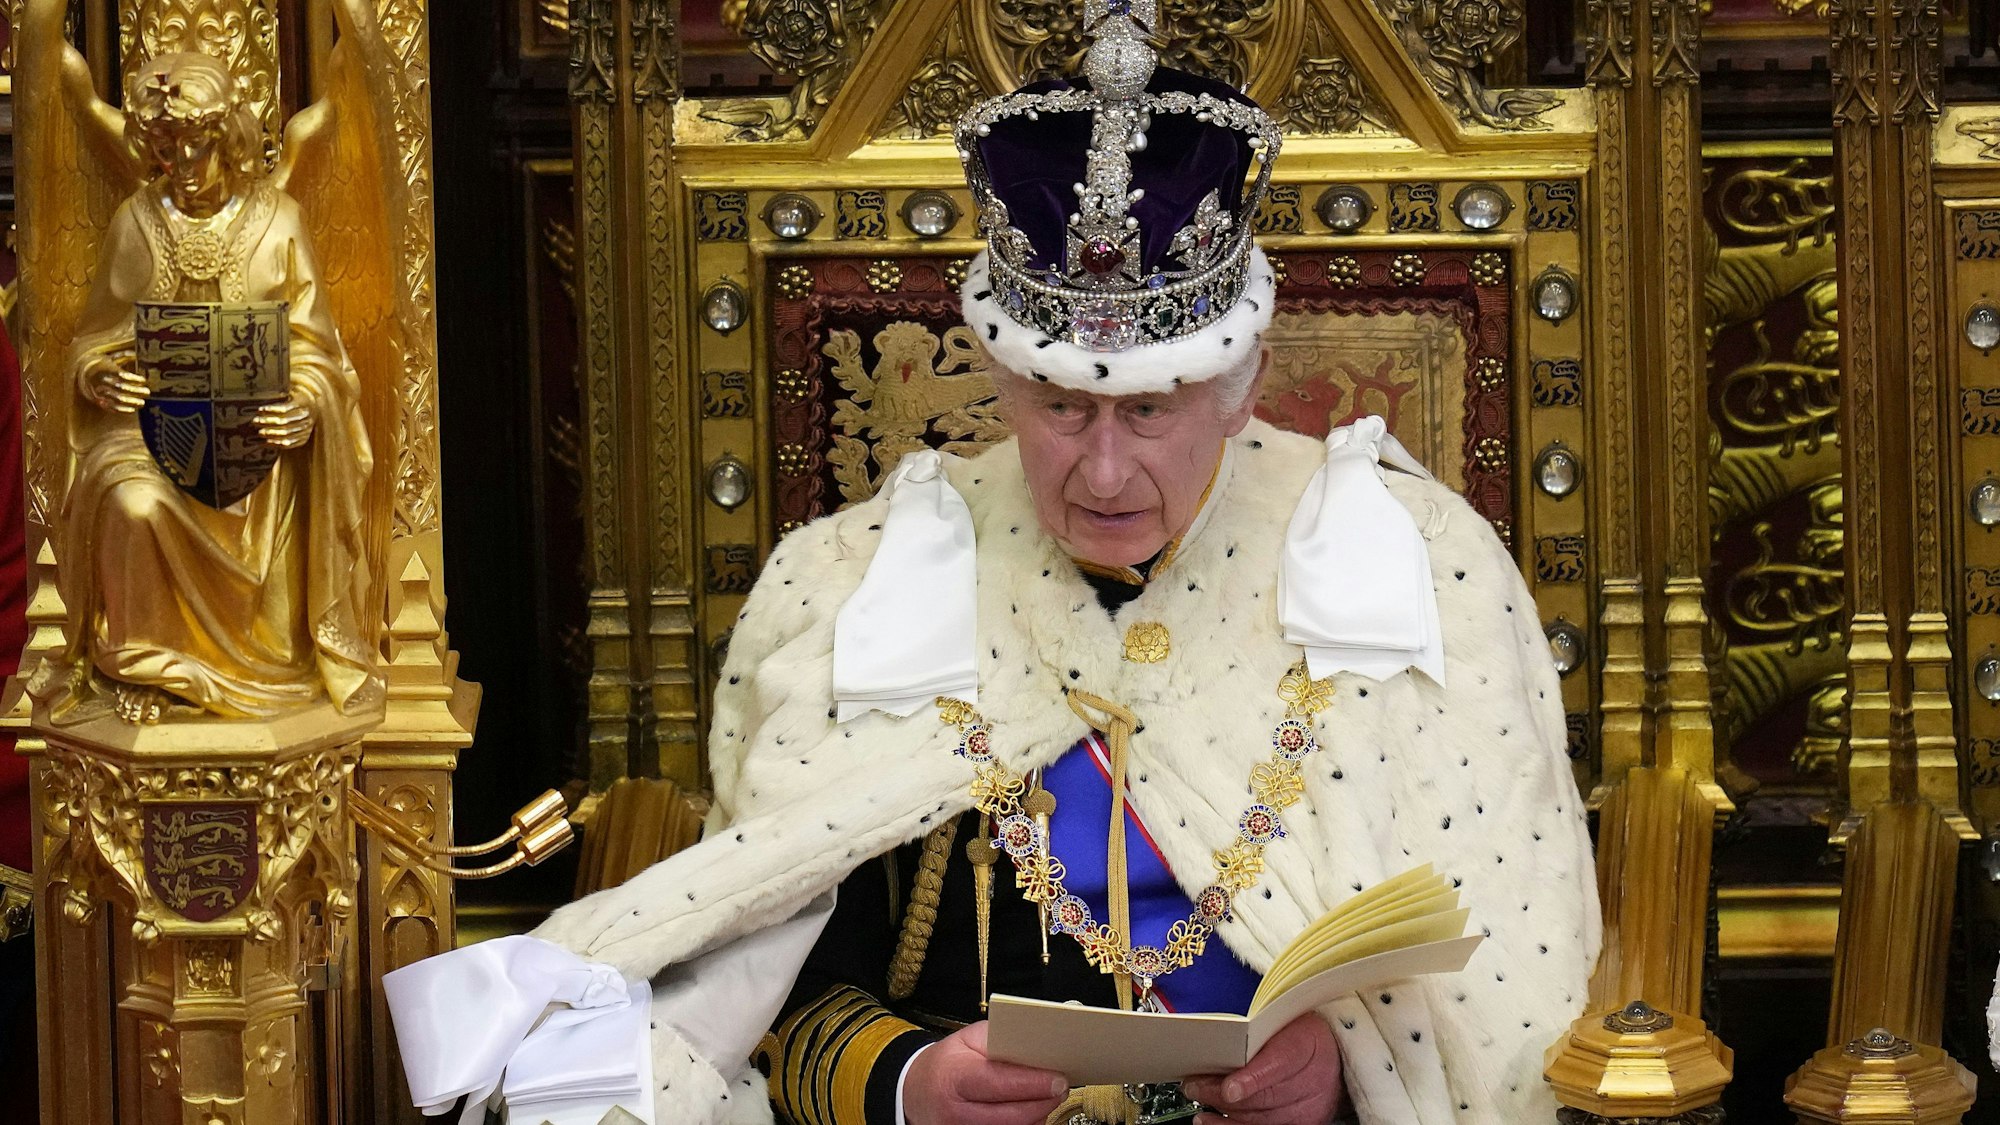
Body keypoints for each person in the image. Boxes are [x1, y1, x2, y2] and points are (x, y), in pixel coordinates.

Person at [385, 4, 1599, 1122]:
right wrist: (908, 1083)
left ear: (1237, 390)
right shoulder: (859, 581)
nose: (1105, 474)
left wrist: (1341, 1072)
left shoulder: (1415, 563)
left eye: (1153, 411)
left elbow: (1493, 997)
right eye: (1062, 411)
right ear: (1001, 382)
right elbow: (774, 994)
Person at [44, 51, 380, 724]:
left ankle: (276, 657)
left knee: (274, 479)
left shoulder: (278, 221)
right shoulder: (135, 224)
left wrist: (307, 406)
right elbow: (92, 341)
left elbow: (319, 352)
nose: (185, 169)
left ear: (228, 139)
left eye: (197, 148)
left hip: (257, 448)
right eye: (167, 153)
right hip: (153, 439)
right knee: (128, 500)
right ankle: (147, 666)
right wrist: (99, 375)